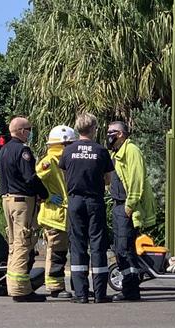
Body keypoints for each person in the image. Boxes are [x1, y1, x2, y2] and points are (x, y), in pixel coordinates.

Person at [59, 113, 114, 304]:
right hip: (94, 200)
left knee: (78, 245)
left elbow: (65, 174)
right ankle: (100, 293)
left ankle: (81, 294)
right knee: (98, 244)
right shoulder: (100, 151)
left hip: (75, 201)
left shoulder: (68, 151)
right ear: (93, 129)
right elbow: (108, 179)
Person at [0, 116, 49, 302]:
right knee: (23, 242)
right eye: (28, 129)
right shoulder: (23, 151)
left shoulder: (3, 150)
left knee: (14, 244)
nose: (30, 132)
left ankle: (13, 285)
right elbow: (30, 177)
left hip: (8, 200)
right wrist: (44, 193)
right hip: (21, 202)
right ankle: (20, 290)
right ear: (20, 131)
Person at [106, 121, 157, 302]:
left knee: (125, 248)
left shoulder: (131, 150)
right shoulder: (117, 153)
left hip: (127, 206)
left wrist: (130, 205)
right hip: (118, 205)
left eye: (112, 132)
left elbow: (137, 179)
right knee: (121, 249)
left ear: (121, 134)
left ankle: (131, 290)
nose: (108, 135)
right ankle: (129, 287)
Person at [36, 125, 78, 299]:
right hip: (55, 214)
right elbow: (35, 180)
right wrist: (47, 197)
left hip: (63, 214)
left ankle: (64, 285)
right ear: (65, 144)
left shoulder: (63, 159)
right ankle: (55, 287)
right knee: (56, 252)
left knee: (60, 251)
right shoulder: (50, 161)